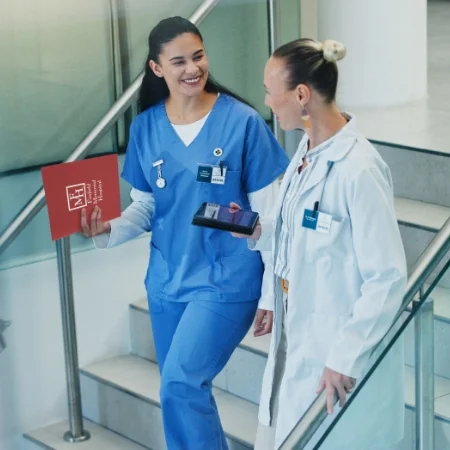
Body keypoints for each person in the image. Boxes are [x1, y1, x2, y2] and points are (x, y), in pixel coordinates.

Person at [81, 16, 289, 450]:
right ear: (157, 69)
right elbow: (147, 208)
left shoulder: (243, 124)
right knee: (184, 390)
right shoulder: (146, 127)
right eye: (178, 61)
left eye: (198, 56)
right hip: (166, 282)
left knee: (179, 384)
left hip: (226, 281)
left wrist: (273, 293)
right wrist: (105, 231)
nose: (192, 68)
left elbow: (273, 220)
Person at [233, 38, 407, 450]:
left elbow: (386, 277)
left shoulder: (358, 170)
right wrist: (261, 233)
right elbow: (297, 236)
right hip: (298, 336)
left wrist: (344, 356)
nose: (267, 102)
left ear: (301, 95)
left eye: (270, 91)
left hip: (334, 355)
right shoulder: (307, 152)